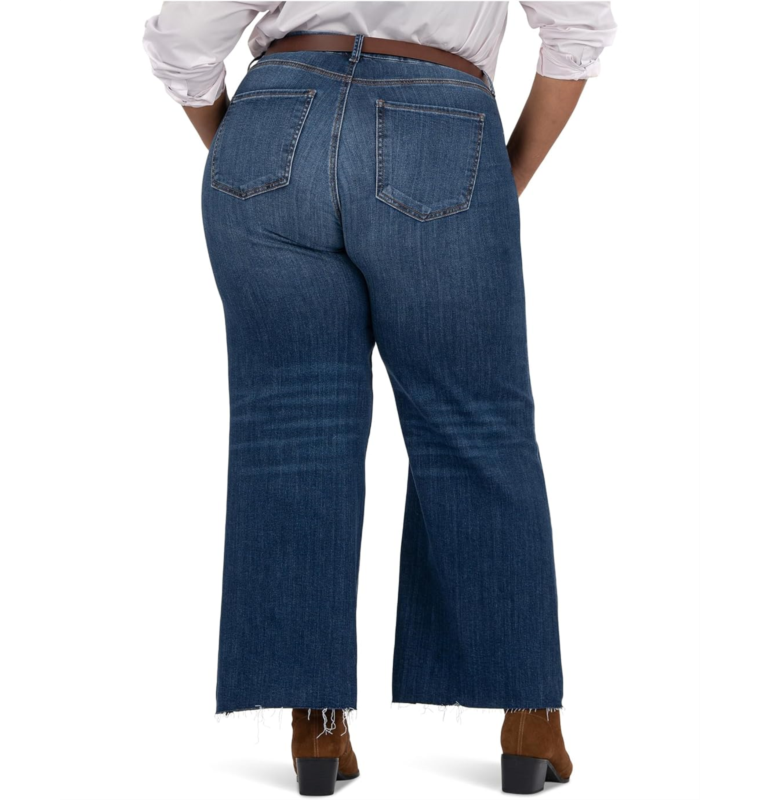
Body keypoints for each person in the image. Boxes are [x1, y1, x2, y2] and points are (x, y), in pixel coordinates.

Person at [143, 1, 616, 794]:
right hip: (441, 125)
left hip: (271, 121)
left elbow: (184, 39)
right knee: (475, 426)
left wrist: (256, 152)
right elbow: (579, 29)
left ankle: (316, 725)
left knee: (290, 428)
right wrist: (503, 181)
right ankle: (527, 717)